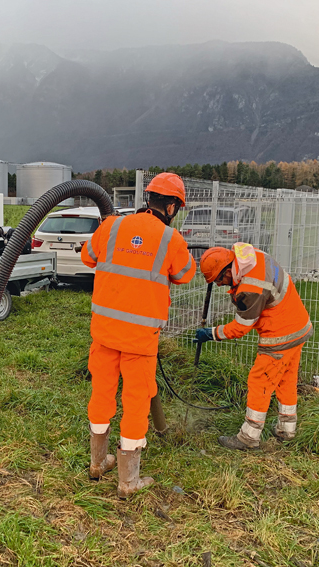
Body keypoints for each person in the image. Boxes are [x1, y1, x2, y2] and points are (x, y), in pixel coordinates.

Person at [80, 172, 196, 498]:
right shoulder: (171, 240)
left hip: (104, 333)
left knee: (101, 396)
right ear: (172, 206)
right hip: (140, 340)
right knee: (135, 405)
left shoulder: (112, 226)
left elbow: (87, 256)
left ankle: (97, 463)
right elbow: (186, 274)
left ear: (148, 199)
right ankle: (128, 481)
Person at [195, 243, 313, 450]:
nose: (221, 285)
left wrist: (211, 333)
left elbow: (240, 328)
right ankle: (287, 429)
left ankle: (248, 437)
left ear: (226, 269)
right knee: (286, 379)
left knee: (260, 381)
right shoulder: (251, 256)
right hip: (298, 326)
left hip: (280, 335)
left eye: (220, 280)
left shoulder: (250, 288)